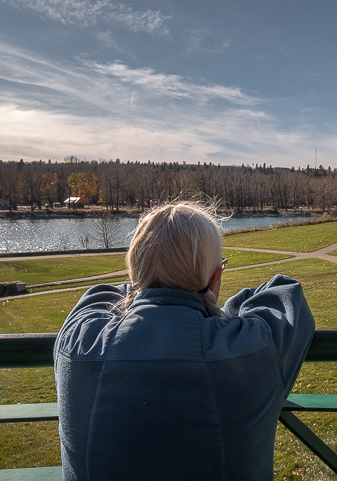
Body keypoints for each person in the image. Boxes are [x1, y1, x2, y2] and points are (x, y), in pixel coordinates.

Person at [54, 202, 315, 481]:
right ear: (215, 278)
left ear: (134, 274)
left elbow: (101, 295)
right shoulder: (249, 347)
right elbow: (285, 292)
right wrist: (222, 311)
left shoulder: (78, 341)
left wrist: (150, 280)